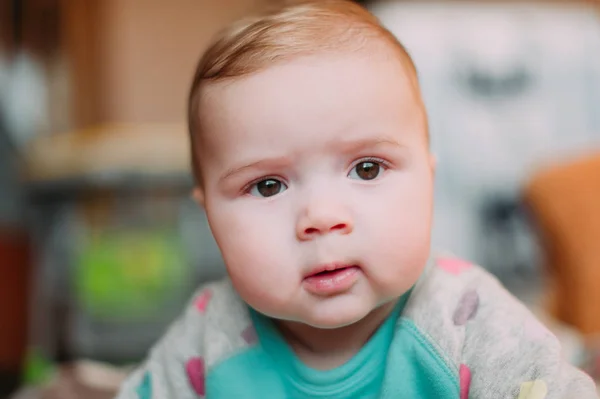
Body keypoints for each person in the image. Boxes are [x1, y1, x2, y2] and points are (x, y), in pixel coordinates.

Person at [115, 1, 598, 397]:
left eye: (367, 169)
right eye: (268, 185)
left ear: (427, 181)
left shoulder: (466, 318)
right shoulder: (209, 338)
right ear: (210, 218)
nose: (322, 219)